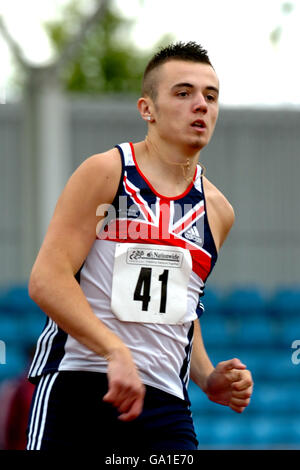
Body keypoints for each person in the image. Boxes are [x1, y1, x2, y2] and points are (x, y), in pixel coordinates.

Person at [26, 41, 253, 451]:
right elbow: (47, 279)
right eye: (183, 93)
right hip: (83, 382)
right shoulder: (107, 172)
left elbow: (182, 308)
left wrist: (206, 377)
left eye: (210, 96)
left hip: (166, 404)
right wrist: (115, 351)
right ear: (147, 109)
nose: (200, 104)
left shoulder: (218, 211)